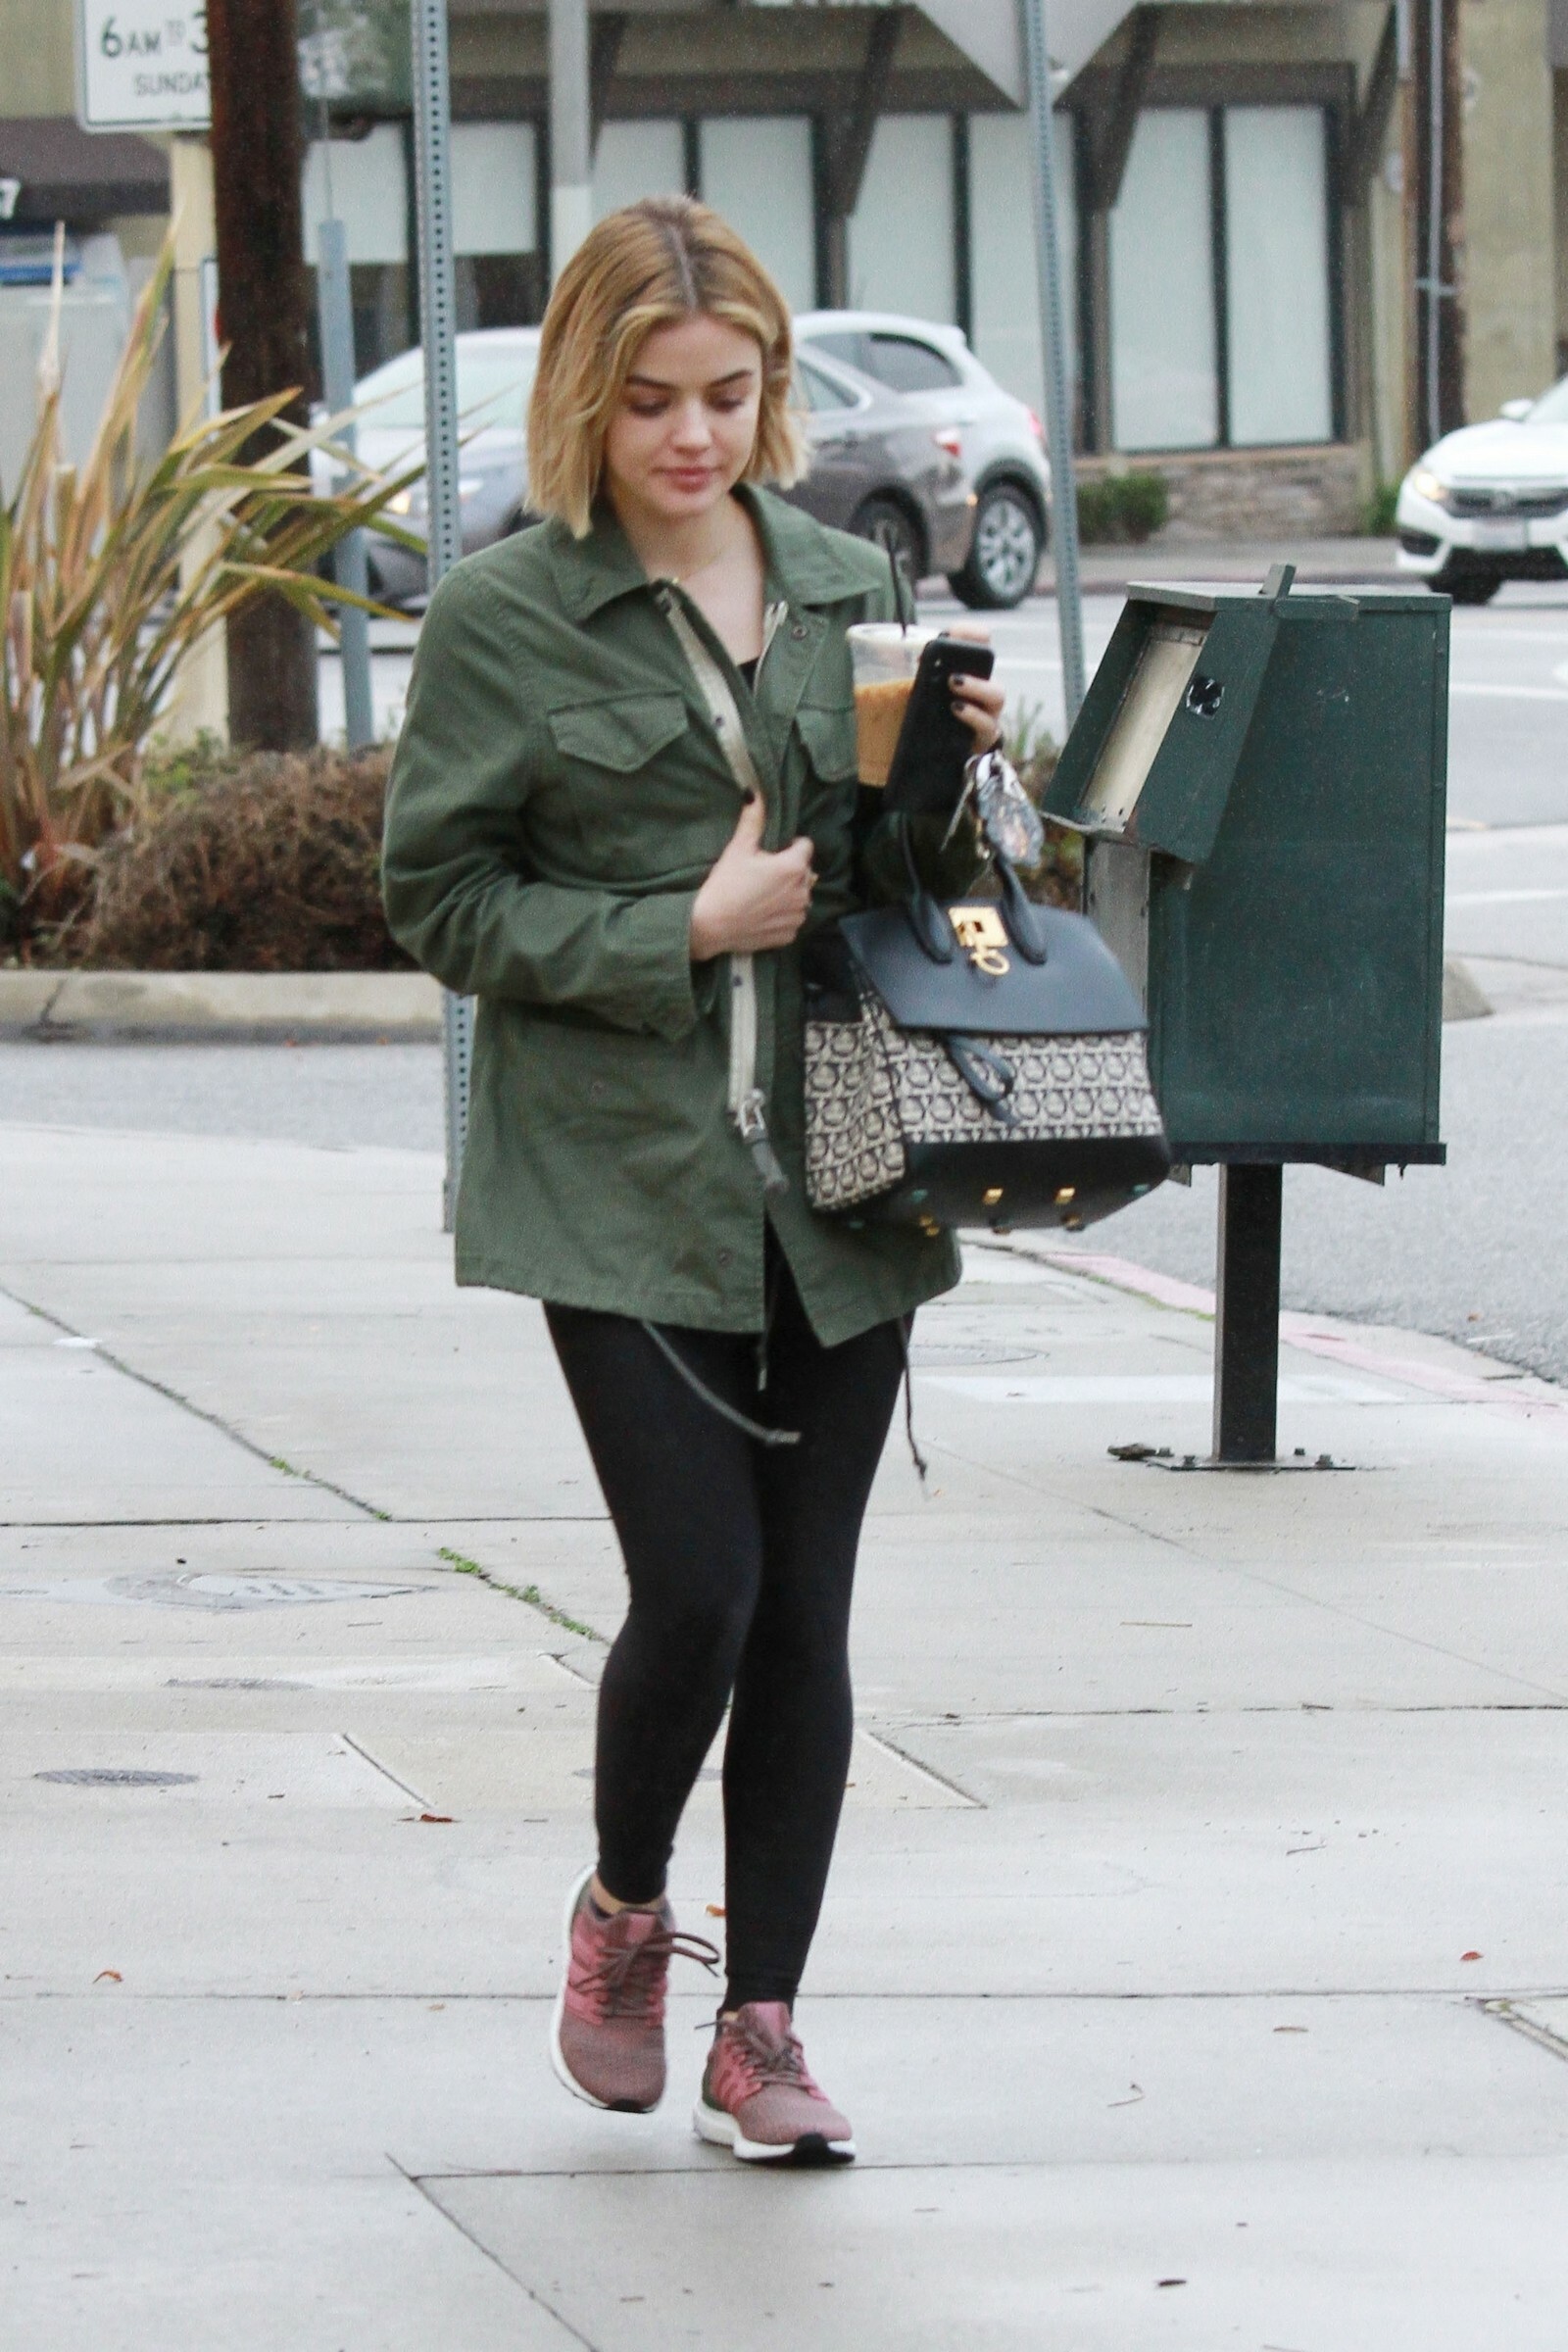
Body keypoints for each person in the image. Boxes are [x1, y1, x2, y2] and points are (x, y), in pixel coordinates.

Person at [383, 196, 1004, 2167]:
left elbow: (900, 889)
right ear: (589, 395)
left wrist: (945, 788)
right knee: (703, 1590)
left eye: (728, 395)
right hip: (615, 1177)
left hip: (843, 1176)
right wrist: (679, 924)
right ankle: (625, 1906)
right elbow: (439, 898)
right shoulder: (505, 616)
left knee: (805, 1614)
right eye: (652, 399)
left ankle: (763, 2029)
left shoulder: (840, 584)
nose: (692, 435)